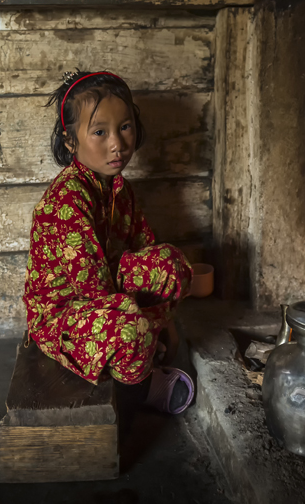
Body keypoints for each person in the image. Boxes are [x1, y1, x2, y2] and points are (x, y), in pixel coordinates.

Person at [23, 70, 195, 414]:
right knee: (130, 328)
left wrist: (167, 322)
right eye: (100, 132)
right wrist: (147, 323)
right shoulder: (67, 200)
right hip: (65, 312)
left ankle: (140, 348)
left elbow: (144, 249)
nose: (117, 143)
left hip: (109, 288)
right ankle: (138, 388)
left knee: (171, 264)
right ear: (70, 142)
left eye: (125, 127)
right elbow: (92, 289)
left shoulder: (120, 189)